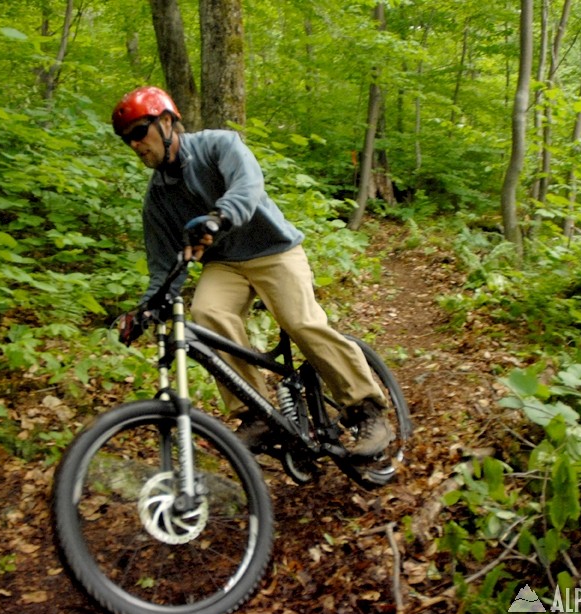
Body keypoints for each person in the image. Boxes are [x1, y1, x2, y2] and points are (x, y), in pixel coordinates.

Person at [111, 85, 393, 456]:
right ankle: (256, 414)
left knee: (300, 321)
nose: (134, 144)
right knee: (206, 314)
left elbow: (247, 185)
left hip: (274, 250)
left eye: (138, 132)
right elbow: (165, 267)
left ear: (166, 122)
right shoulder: (158, 198)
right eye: (126, 139)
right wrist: (145, 309)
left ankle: (366, 409)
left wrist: (219, 217)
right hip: (226, 265)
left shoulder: (218, 145)